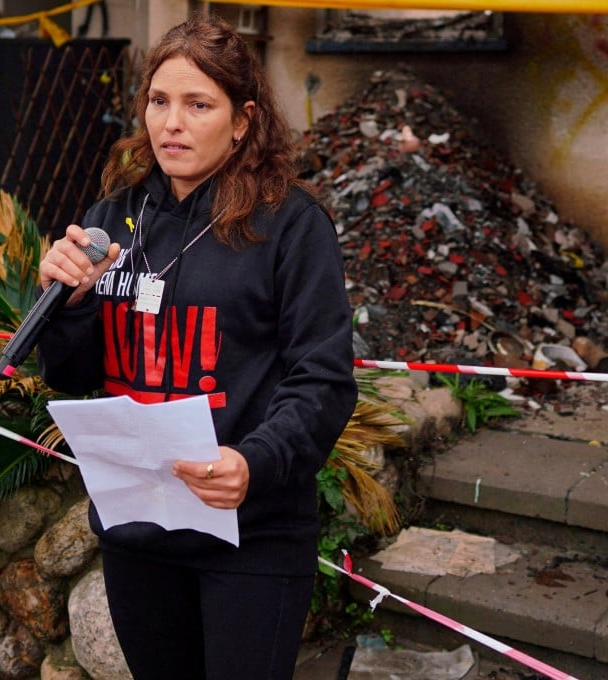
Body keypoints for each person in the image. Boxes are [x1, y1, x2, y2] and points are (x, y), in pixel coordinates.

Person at [35, 12, 358, 680]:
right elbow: (69, 374)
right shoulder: (112, 220)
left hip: (251, 533)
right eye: (159, 101)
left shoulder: (291, 227)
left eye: (197, 104)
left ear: (241, 121)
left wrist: (254, 462)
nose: (171, 123)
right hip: (138, 533)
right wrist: (66, 304)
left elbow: (323, 379)